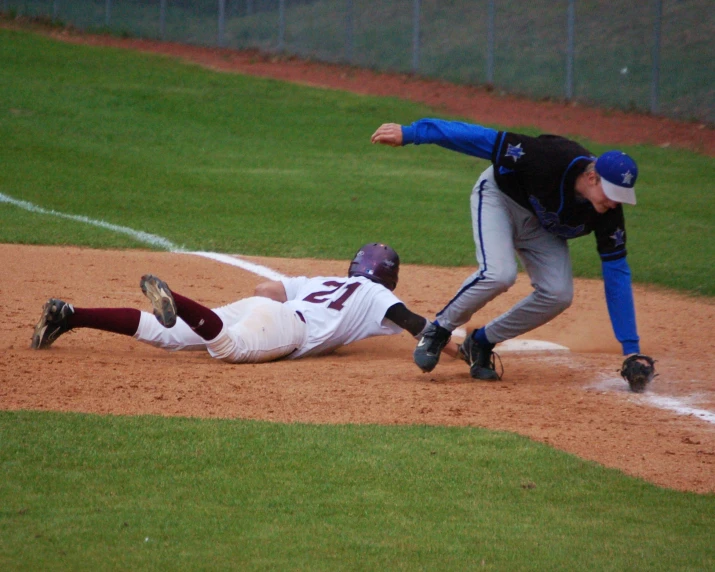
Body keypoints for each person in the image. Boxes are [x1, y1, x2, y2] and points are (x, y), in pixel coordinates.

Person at [371, 119, 653, 381]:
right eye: (612, 194)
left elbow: (616, 272)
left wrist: (631, 349)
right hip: (500, 199)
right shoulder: (549, 157)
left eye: (621, 198)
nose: (615, 204)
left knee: (558, 294)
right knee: (499, 274)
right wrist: (414, 133)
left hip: (540, 227)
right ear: (593, 178)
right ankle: (439, 330)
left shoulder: (608, 214)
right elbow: (480, 139)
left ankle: (480, 342)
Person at [30, 243, 461, 364]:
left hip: (263, 309)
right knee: (229, 350)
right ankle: (176, 298)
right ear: (388, 277)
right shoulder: (380, 294)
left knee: (166, 336)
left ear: (352, 267)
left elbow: (263, 291)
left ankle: (70, 315)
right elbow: (421, 328)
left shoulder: (323, 281)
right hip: (288, 327)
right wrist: (465, 352)